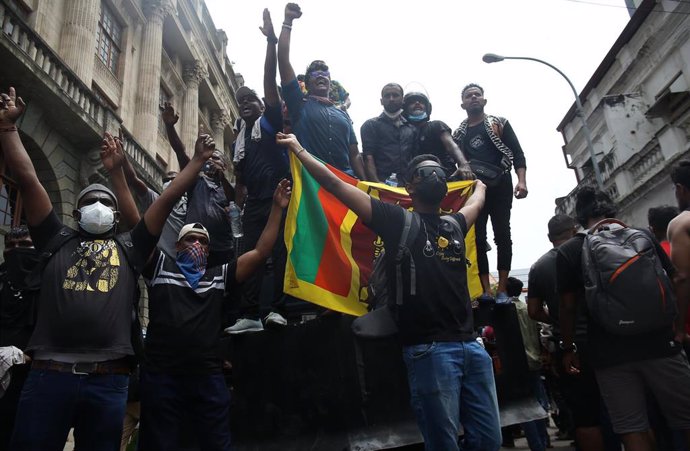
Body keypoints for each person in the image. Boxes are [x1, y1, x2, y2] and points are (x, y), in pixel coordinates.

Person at [0, 86, 215, 450]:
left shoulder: (131, 246)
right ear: (76, 213)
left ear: (115, 215)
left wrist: (195, 162)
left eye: (104, 201)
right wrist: (7, 130)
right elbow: (29, 179)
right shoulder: (56, 239)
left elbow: (166, 198)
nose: (97, 205)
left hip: (108, 382)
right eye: (90, 201)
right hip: (48, 377)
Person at [275, 131, 501, 451]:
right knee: (443, 444)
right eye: (425, 171)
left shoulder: (454, 225)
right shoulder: (397, 221)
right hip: (430, 351)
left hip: (472, 348)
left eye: (438, 171)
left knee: (490, 440)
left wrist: (479, 184)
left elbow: (477, 203)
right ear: (410, 186)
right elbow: (336, 185)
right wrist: (298, 149)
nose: (434, 175)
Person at [137, 180, 291, 451]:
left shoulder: (218, 276)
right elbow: (139, 229)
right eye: (190, 239)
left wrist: (277, 209)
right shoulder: (161, 267)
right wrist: (116, 174)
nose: (196, 244)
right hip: (162, 377)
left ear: (208, 251)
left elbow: (260, 251)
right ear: (177, 246)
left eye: (202, 241)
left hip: (207, 378)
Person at [558, 186, 690, 451]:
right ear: (611, 208)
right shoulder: (641, 236)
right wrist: (678, 329)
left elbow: (568, 307)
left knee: (632, 427)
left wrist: (569, 346)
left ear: (579, 217)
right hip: (661, 344)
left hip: (609, 352)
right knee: (686, 419)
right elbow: (678, 279)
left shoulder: (571, 250)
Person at [226, 9, 290, 334]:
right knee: (247, 255)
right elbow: (239, 178)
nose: (246, 103)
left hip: (279, 198)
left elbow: (268, 80)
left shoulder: (267, 123)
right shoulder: (239, 138)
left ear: (263, 105)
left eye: (251, 99)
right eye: (241, 101)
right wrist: (237, 207)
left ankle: (276, 309)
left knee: (278, 252)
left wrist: (270, 42)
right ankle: (248, 314)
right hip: (253, 204)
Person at [452, 83, 527, 301]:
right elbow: (454, 162)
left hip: (501, 183)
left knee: (502, 234)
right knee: (477, 236)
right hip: (475, 189)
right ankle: (485, 289)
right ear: (462, 103)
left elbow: (518, 153)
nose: (473, 98)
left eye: (477, 95)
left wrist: (521, 181)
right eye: (469, 96)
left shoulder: (499, 123)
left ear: (484, 100)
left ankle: (502, 287)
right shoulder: (459, 133)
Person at [278, 3, 365, 180]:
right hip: (310, 183)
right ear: (307, 82)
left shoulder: (343, 114)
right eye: (315, 73)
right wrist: (288, 22)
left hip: (345, 185)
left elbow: (354, 154)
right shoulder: (299, 104)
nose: (321, 76)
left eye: (325, 73)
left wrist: (366, 184)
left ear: (330, 81)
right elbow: (283, 61)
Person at [0, 226, 38, 451]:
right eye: (10, 246)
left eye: (24, 245)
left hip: (33, 379)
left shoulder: (48, 282)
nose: (16, 251)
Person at [507, 277, 549, 451]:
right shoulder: (528, 309)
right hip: (535, 360)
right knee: (539, 403)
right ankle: (544, 441)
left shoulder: (507, 311)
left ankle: (536, 445)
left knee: (524, 407)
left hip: (518, 363)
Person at [403, 91, 473, 181]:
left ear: (427, 108)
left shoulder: (437, 125)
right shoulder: (404, 133)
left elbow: (451, 146)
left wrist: (464, 164)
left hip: (445, 177)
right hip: (417, 180)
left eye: (421, 102)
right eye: (412, 102)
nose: (417, 103)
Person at [360, 83, 416, 184]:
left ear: (403, 100)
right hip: (382, 185)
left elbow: (415, 157)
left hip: (408, 186)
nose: (391, 99)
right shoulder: (370, 125)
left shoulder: (411, 128)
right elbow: (368, 157)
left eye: (395, 95)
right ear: (381, 101)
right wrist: (376, 183)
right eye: (387, 96)